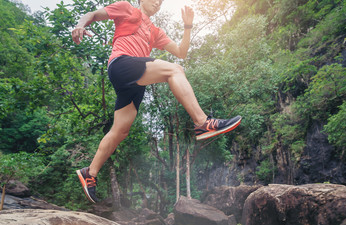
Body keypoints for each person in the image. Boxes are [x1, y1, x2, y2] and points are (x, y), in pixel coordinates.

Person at [72, 0, 241, 203]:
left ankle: (90, 172)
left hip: (135, 82)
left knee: (120, 132)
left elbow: (182, 52)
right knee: (174, 70)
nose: (158, 3)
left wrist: (187, 26)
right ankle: (203, 123)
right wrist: (80, 25)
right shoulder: (126, 8)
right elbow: (92, 14)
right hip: (122, 64)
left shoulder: (155, 31)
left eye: (161, 2)